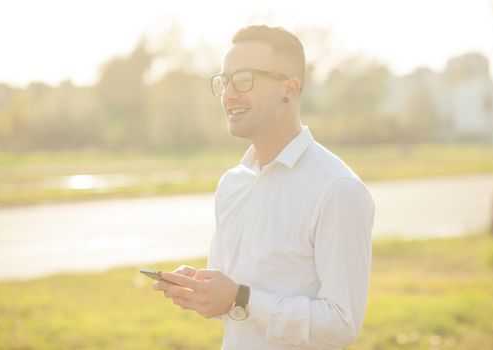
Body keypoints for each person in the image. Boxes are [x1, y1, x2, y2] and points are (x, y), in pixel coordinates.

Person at [153, 24, 375, 349]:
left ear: (290, 87)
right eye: (224, 81)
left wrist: (241, 299)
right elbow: (229, 302)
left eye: (244, 79)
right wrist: (201, 288)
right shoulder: (232, 183)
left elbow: (341, 326)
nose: (229, 93)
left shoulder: (338, 189)